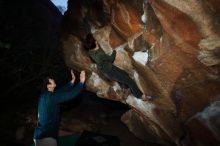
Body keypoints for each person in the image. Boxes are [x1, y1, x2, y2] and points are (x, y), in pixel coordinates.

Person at [84, 33, 151, 101]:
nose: (96, 40)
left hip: (107, 69)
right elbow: (110, 59)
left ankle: (126, 89)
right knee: (130, 81)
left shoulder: (90, 51)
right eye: (95, 40)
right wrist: (114, 51)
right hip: (110, 71)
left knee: (124, 74)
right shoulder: (99, 54)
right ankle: (140, 96)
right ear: (95, 42)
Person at [33, 70, 86, 146]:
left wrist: (72, 82)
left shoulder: (46, 95)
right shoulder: (50, 97)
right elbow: (70, 95)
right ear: (48, 86)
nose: (53, 79)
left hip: (42, 133)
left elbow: (61, 92)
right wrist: (81, 82)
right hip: (45, 136)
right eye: (51, 80)